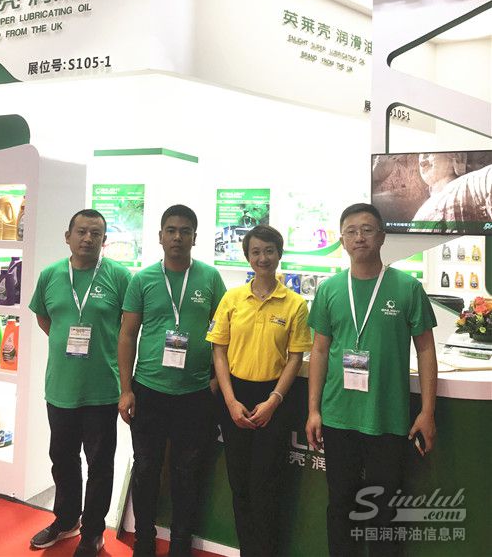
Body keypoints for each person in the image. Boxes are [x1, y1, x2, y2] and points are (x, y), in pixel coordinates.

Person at [306, 203, 438, 557]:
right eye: (351, 231)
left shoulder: (407, 287)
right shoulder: (330, 289)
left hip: (387, 418)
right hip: (338, 417)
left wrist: (427, 411)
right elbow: (319, 351)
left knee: (385, 510)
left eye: (367, 229)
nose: (359, 237)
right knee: (340, 505)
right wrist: (314, 410)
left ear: (382, 236)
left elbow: (426, 350)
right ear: (342, 241)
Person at [118, 204, 227, 557]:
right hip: (149, 390)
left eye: (185, 231)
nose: (177, 237)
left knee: (188, 472)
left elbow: (224, 334)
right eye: (171, 230)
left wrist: (215, 379)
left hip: (195, 394)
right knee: (146, 468)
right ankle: (144, 541)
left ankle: (180, 544)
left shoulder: (210, 278)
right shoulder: (142, 279)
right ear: (160, 236)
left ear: (195, 237)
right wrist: (125, 389)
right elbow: (127, 335)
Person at [29, 209, 131, 557]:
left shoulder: (120, 277)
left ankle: (93, 532)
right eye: (82, 232)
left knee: (99, 464)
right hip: (61, 388)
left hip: (102, 389)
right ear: (68, 236)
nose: (88, 238)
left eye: (96, 234)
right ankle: (66, 519)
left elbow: (129, 328)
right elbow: (45, 318)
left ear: (104, 240)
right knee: (62, 458)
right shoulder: (50, 275)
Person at [207, 224, 312, 557]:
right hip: (234, 396)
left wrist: (274, 401)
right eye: (256, 252)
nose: (262, 258)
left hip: (274, 399)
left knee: (266, 484)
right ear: (247, 256)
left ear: (279, 254)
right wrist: (230, 401)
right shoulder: (232, 298)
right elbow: (219, 350)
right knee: (239, 484)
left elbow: (295, 357)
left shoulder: (295, 304)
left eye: (269, 251)